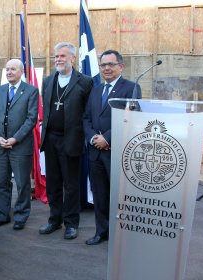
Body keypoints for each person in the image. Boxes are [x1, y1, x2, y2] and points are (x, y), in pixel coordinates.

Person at [83, 49, 141, 245]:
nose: (106, 68)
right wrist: (93, 139)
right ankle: (102, 232)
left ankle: (121, 236)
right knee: (99, 195)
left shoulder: (131, 88)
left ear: (121, 66)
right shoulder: (96, 89)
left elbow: (131, 118)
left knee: (118, 195)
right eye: (103, 65)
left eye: (111, 64)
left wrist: (107, 138)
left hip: (115, 152)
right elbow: (86, 118)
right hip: (95, 153)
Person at [39, 42, 93, 240]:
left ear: (73, 58)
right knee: (53, 182)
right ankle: (54, 220)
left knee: (71, 185)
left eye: (63, 56)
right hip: (51, 138)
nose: (58, 60)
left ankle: (71, 223)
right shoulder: (48, 80)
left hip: (71, 140)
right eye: (56, 56)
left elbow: (88, 112)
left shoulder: (85, 82)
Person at [0, 59, 38, 230]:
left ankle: (21, 215)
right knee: (0, 182)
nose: (9, 72)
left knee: (22, 182)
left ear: (21, 71)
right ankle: (2, 214)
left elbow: (31, 119)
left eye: (13, 69)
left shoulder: (31, 91)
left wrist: (15, 139)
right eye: (7, 69)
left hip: (20, 146)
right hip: (0, 145)